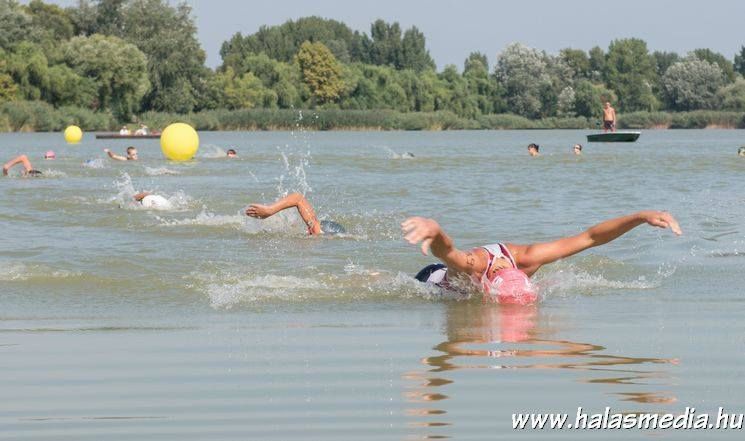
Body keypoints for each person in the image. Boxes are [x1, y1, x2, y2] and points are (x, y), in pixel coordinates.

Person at [402, 211, 682, 304]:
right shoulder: (473, 266)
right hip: (432, 278)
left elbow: (590, 238)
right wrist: (434, 229)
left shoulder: (529, 259)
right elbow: (447, 251)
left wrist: (640, 217)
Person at [245, 193, 345, 235]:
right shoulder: (318, 232)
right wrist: (269, 210)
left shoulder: (320, 237)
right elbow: (297, 198)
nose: (308, 230)